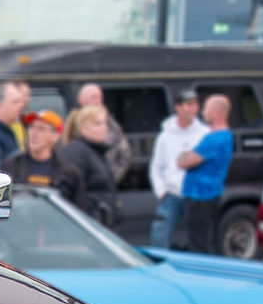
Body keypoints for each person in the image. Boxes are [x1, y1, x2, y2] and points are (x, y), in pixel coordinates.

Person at [147, 87, 209, 248]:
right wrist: (161, 191)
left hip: (196, 194)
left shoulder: (204, 134)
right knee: (160, 233)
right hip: (172, 193)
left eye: (195, 104)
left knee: (199, 235)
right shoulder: (165, 137)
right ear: (178, 107)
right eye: (188, 104)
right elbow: (156, 166)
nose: (192, 109)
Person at [178, 94, 234, 254]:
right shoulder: (225, 137)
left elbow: (184, 162)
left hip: (201, 197)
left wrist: (184, 155)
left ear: (216, 112)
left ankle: (200, 273)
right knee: (204, 238)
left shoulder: (214, 140)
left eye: (206, 109)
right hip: (208, 195)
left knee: (199, 243)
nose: (202, 113)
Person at [58, 104, 120, 226]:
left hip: (100, 223)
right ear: (83, 128)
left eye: (105, 123)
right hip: (85, 224)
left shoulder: (97, 151)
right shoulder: (76, 152)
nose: (104, 128)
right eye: (97, 124)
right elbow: (66, 192)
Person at [2, 110, 81, 203]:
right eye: (31, 127)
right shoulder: (11, 166)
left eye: (41, 129)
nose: (33, 133)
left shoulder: (69, 172)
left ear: (55, 136)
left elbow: (79, 210)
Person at [74, 83, 133, 184]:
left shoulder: (112, 126)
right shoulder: (72, 123)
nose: (97, 101)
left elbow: (125, 154)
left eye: (100, 97)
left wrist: (111, 177)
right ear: (80, 99)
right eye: (93, 97)